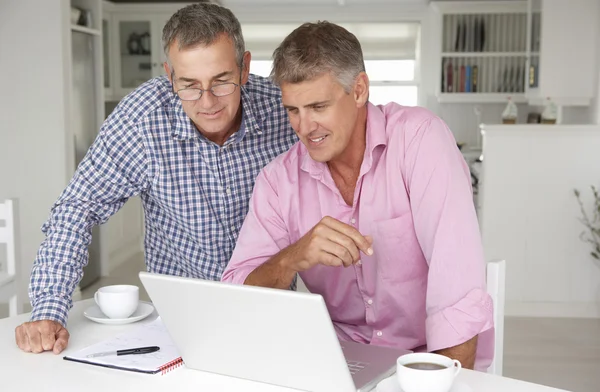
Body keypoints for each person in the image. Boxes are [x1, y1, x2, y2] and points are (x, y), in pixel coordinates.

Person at [15, 3, 297, 354]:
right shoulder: (143, 120)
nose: (207, 101)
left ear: (244, 67)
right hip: (183, 317)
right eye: (189, 85)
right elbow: (77, 208)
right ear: (169, 75)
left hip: (277, 307)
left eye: (221, 81)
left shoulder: (284, 109)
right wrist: (48, 309)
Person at [221, 21, 494, 370]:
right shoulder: (278, 182)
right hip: (337, 364)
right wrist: (293, 257)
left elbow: (458, 295)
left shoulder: (420, 140)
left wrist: (440, 384)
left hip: (430, 361)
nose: (304, 128)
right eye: (293, 110)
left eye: (319, 107)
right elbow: (235, 294)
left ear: (359, 90)